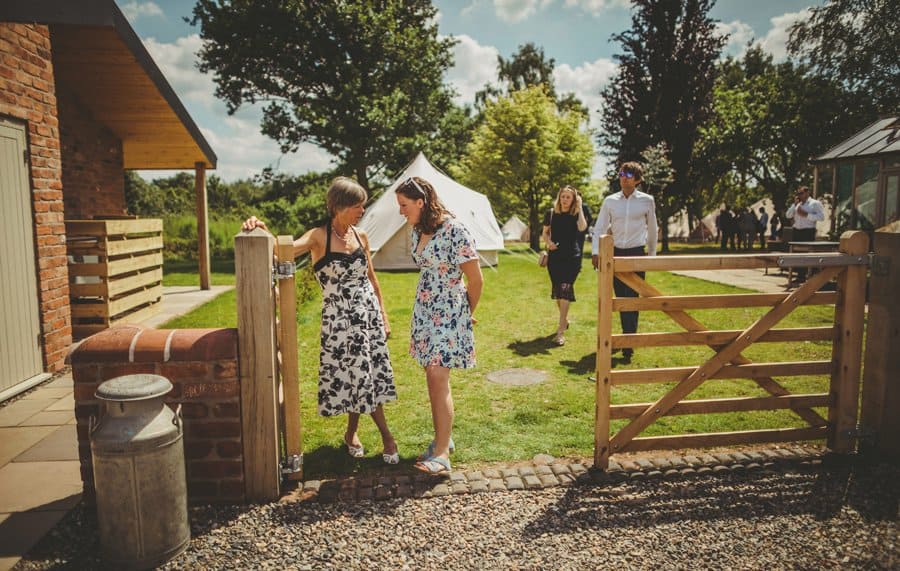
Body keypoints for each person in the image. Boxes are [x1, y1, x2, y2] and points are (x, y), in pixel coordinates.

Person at [241, 177, 399, 464]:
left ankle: (352, 434)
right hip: (339, 320)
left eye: (363, 205)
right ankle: (387, 437)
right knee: (358, 377)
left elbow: (372, 281)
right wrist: (260, 227)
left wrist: (384, 317)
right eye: (357, 205)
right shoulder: (318, 236)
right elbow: (280, 250)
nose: (362, 211)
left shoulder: (361, 236)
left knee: (364, 377)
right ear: (339, 206)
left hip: (367, 316)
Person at [395, 176, 483, 476]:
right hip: (424, 310)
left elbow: (476, 280)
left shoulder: (456, 230)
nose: (401, 212)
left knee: (437, 375)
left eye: (404, 205)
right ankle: (443, 438)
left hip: (449, 312)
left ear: (421, 202)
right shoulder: (417, 229)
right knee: (432, 378)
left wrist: (464, 314)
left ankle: (442, 454)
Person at [591, 161, 658, 363]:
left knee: (633, 299)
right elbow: (600, 227)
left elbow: (653, 228)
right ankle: (627, 338)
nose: (623, 177)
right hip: (615, 254)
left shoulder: (647, 201)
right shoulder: (610, 201)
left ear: (637, 179)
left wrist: (652, 256)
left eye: (628, 174)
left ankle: (629, 343)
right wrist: (596, 252)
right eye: (621, 174)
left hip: (637, 253)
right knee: (621, 299)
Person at [542, 185, 589, 346]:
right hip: (555, 257)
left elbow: (583, 228)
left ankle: (560, 331)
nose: (565, 199)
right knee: (558, 290)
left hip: (572, 257)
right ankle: (565, 319)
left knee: (565, 289)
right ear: (559, 197)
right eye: (563, 196)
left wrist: (580, 207)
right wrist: (549, 243)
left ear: (574, 199)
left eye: (569, 197)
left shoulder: (576, 214)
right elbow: (545, 233)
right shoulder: (551, 213)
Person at [785, 185, 825, 283]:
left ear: (807, 193)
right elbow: (788, 215)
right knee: (797, 254)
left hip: (807, 231)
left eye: (801, 193)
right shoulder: (797, 204)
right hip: (796, 230)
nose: (799, 195)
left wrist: (806, 215)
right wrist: (794, 205)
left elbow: (821, 217)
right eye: (798, 193)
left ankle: (809, 275)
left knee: (807, 254)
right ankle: (800, 276)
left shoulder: (815, 203)